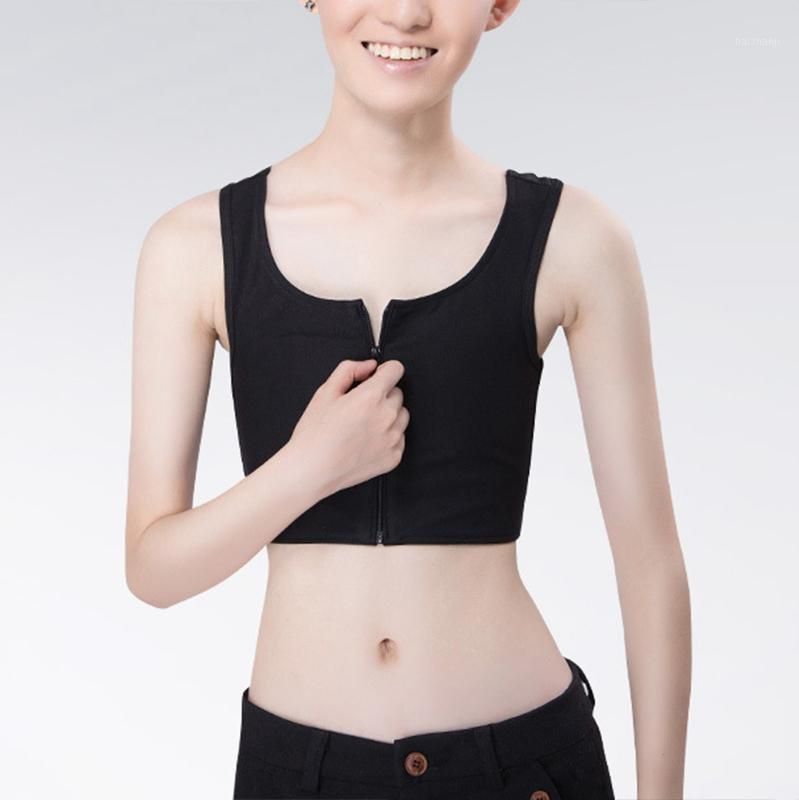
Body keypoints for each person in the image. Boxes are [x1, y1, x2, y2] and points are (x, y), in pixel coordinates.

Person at [124, 1, 691, 798]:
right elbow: (153, 569)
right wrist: (307, 468)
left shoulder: (576, 238)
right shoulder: (195, 248)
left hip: (519, 766)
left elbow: (650, 566)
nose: (405, 11)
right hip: (299, 774)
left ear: (500, 5)